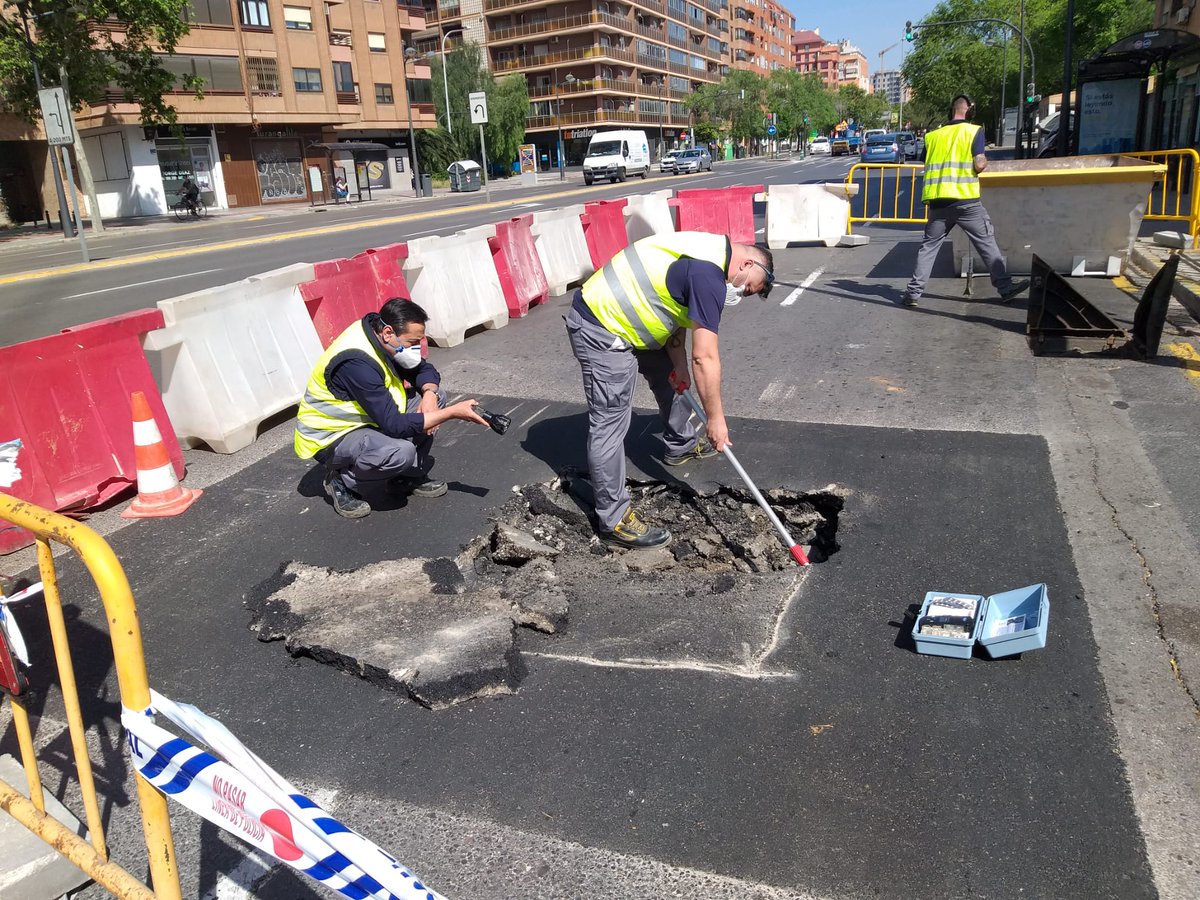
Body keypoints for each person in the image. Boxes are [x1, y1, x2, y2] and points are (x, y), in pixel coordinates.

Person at [565, 232, 774, 550]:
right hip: (602, 325)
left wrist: (678, 365)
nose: (741, 294)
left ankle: (680, 444)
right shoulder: (708, 275)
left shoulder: (710, 253)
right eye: (748, 288)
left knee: (670, 379)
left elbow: (676, 311)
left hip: (634, 317)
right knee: (610, 422)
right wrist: (715, 420)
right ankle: (614, 520)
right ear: (747, 262)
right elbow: (705, 357)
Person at [294, 298, 487, 519]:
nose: (415, 348)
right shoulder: (357, 364)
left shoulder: (381, 338)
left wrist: (430, 394)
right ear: (388, 333)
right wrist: (452, 413)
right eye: (412, 342)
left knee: (437, 398)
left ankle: (405, 477)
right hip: (332, 436)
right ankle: (342, 481)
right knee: (400, 452)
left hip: (368, 419)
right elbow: (394, 425)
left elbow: (423, 370)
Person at [901, 94, 1028, 308]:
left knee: (929, 248)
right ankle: (1005, 288)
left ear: (951, 111)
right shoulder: (974, 131)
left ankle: (913, 293)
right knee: (986, 243)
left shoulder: (933, 136)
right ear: (968, 111)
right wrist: (982, 161)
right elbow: (979, 164)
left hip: (938, 202)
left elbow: (927, 162)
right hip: (966, 201)